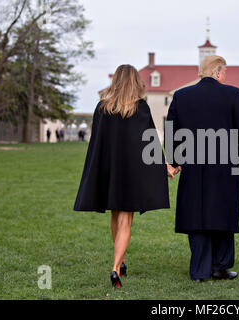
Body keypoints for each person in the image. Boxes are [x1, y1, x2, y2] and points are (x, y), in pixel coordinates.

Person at [73, 64, 176, 288]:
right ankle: (115, 267)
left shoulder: (102, 108)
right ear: (135, 82)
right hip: (131, 174)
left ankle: (121, 262)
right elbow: (150, 144)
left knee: (115, 216)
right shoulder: (141, 109)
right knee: (125, 220)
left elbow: (96, 146)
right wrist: (164, 166)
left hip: (110, 172)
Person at [166, 55, 239, 282]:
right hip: (225, 165)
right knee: (223, 212)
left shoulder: (181, 96)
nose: (226, 76)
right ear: (217, 71)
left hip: (193, 164)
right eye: (224, 72)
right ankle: (220, 266)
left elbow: (172, 132)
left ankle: (199, 270)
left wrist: (175, 161)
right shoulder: (233, 94)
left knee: (196, 212)